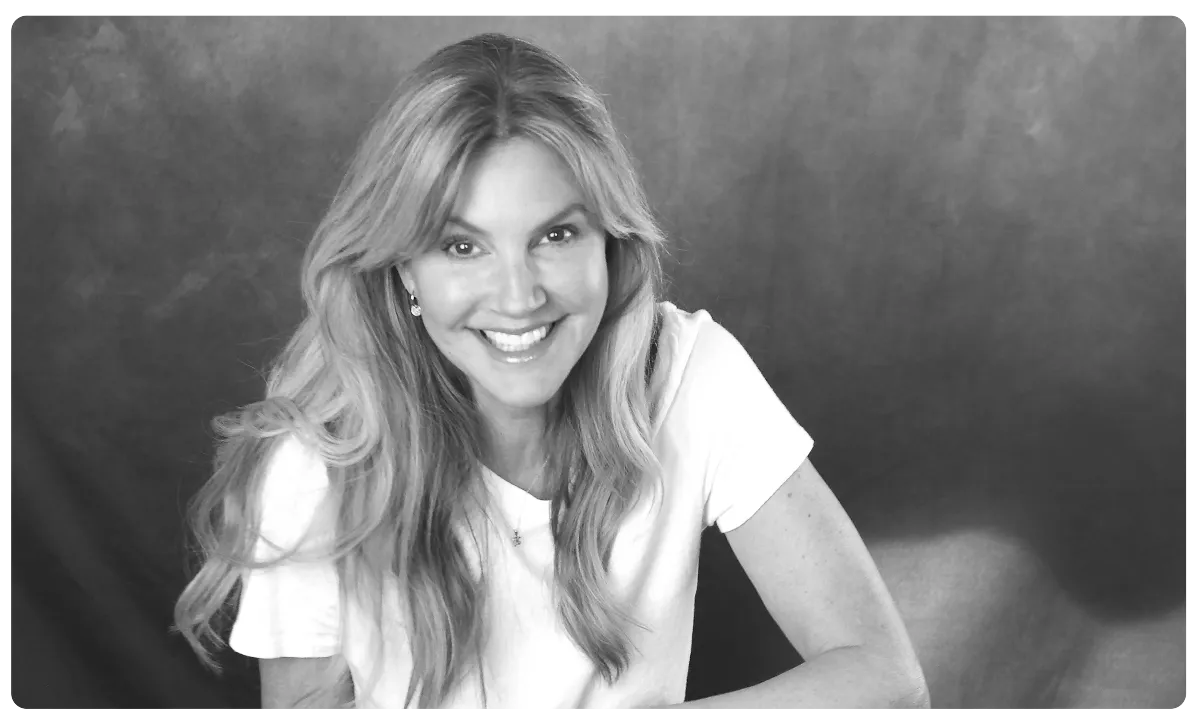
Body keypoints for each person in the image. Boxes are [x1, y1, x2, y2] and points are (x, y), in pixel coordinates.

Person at [173, 32, 929, 712]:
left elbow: (887, 679)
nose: (517, 297)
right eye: (462, 246)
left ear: (609, 243)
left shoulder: (693, 373)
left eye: (555, 235)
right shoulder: (320, 457)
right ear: (403, 270)